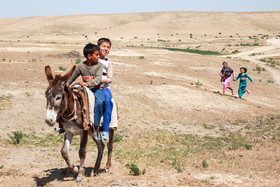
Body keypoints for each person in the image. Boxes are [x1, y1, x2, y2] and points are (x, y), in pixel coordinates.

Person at [68, 43, 106, 133]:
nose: (99, 56)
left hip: (96, 89)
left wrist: (87, 84)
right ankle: (65, 123)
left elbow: (98, 79)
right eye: (97, 55)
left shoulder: (99, 66)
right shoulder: (80, 66)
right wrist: (66, 84)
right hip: (84, 89)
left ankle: (96, 126)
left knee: (100, 101)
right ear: (89, 56)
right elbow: (71, 78)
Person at [97, 38, 113, 142]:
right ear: (98, 46)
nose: (105, 49)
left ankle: (105, 129)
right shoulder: (90, 58)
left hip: (104, 88)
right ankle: (63, 124)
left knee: (108, 102)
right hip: (90, 86)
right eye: (103, 46)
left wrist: (100, 80)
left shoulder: (108, 62)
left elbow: (110, 78)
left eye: (108, 47)